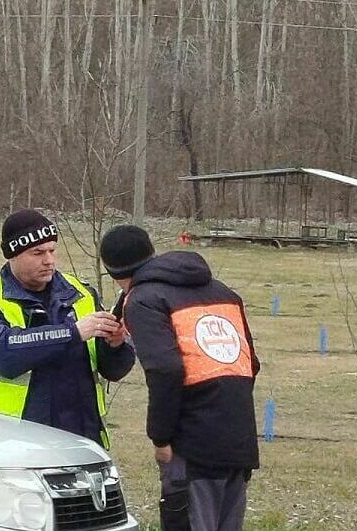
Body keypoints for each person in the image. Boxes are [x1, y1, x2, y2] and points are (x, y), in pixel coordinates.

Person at [99, 224, 260, 531]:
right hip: (239, 440)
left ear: (114, 273)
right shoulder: (224, 292)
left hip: (192, 446)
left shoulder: (143, 299)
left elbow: (165, 370)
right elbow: (250, 364)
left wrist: (161, 437)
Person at [0, 208, 135, 448]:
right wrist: (72, 333)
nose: (49, 260)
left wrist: (115, 345)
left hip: (83, 439)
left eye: (53, 250)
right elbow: (2, 354)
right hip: (10, 444)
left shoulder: (81, 292)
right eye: (38, 253)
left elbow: (113, 371)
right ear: (12, 255)